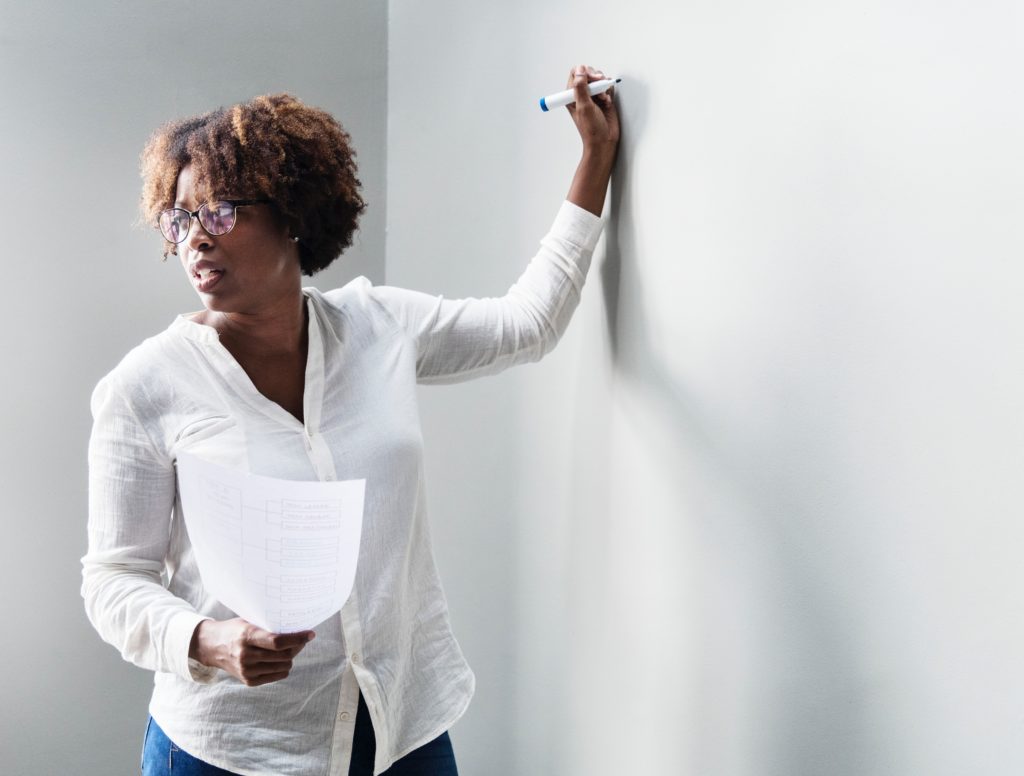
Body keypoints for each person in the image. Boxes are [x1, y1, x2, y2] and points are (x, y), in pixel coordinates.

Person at [82, 64, 619, 776]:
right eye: (179, 219)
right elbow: (113, 579)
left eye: (220, 211)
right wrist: (207, 640)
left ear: (293, 214)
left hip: (402, 731)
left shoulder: (379, 325)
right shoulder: (145, 386)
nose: (194, 239)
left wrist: (594, 162)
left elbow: (528, 326)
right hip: (233, 750)